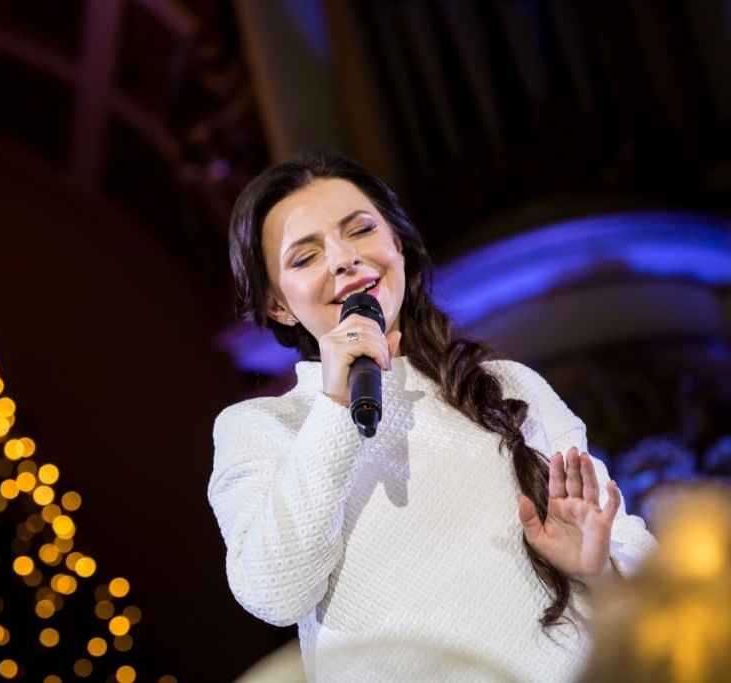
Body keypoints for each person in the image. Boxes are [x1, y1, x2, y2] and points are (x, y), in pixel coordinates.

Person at [207, 151, 657, 682]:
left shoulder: (507, 386)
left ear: (397, 246)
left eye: (361, 230)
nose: (344, 258)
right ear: (277, 305)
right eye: (305, 257)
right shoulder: (260, 426)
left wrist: (600, 570)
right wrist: (335, 408)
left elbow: (638, 558)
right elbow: (274, 592)